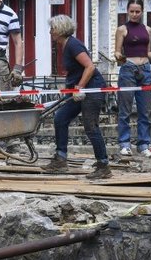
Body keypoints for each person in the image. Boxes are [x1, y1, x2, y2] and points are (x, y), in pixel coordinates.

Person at [43, 15, 111, 180]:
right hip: (79, 91)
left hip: (92, 90)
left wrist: (79, 87)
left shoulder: (73, 45)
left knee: (90, 126)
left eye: (52, 29)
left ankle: (103, 165)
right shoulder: (66, 45)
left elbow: (89, 67)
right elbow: (77, 70)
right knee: (60, 118)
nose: (50, 32)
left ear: (59, 30)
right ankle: (60, 159)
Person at [115, 0, 151, 159]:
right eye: (131, 11)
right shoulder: (122, 29)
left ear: (142, 12)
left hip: (145, 68)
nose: (134, 14)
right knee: (125, 109)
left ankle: (143, 144)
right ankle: (125, 143)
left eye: (137, 11)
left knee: (145, 109)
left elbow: (148, 52)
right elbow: (118, 50)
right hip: (128, 68)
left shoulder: (147, 29)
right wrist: (118, 56)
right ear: (127, 11)